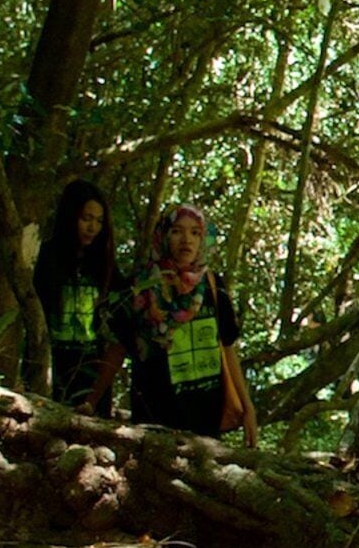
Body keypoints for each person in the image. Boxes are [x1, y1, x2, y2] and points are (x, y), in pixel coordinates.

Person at [94, 201, 253, 436]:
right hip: (155, 418)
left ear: (202, 240)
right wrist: (91, 401)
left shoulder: (212, 286)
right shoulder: (141, 288)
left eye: (195, 232)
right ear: (163, 235)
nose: (186, 240)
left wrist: (248, 407)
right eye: (177, 231)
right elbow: (119, 346)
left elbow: (227, 348)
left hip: (205, 417)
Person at [36, 179, 122, 408]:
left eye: (99, 221)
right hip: (51, 369)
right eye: (86, 219)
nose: (92, 228)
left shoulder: (105, 265)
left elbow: (120, 324)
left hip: (90, 377)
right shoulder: (45, 258)